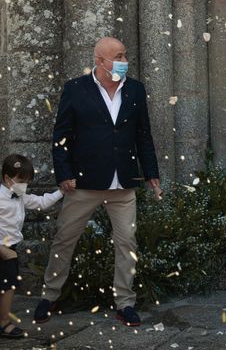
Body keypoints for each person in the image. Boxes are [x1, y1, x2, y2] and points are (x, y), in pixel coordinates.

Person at [34, 37, 162, 327]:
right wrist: (63, 173)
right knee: (65, 238)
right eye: (118, 55)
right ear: (100, 61)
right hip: (84, 182)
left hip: (123, 183)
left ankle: (125, 302)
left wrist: (151, 174)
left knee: (127, 242)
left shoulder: (135, 89)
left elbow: (144, 135)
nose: (124, 59)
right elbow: (61, 136)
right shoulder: (75, 89)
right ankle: (50, 295)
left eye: (125, 53)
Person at [0, 155, 63, 338]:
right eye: (21, 181)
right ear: (7, 178)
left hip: (11, 247)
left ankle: (3, 321)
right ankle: (3, 323)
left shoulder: (21, 197)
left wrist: (62, 192)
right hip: (3, 248)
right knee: (8, 285)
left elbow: (42, 202)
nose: (24, 185)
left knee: (8, 285)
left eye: (27, 182)